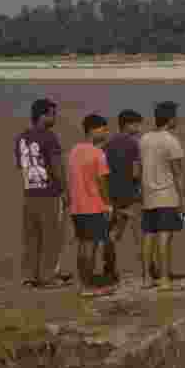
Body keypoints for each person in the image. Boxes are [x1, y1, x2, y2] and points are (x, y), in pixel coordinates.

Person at [15, 98, 69, 288]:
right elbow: (56, 167)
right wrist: (64, 190)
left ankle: (30, 277)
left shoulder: (21, 137)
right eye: (52, 114)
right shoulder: (49, 136)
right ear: (42, 115)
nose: (54, 118)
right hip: (49, 193)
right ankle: (48, 277)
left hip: (29, 193)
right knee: (51, 236)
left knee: (31, 237)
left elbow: (22, 166)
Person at [140, 101, 185, 291]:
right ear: (170, 119)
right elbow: (178, 173)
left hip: (148, 194)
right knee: (164, 236)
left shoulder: (144, 139)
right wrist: (184, 200)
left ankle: (146, 278)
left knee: (148, 236)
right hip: (167, 194)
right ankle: (164, 278)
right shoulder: (171, 141)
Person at [67, 113, 115, 297]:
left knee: (82, 246)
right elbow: (102, 182)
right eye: (103, 129)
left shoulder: (74, 151)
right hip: (93, 206)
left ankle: (82, 283)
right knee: (91, 247)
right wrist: (108, 205)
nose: (105, 132)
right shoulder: (98, 153)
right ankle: (88, 287)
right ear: (92, 130)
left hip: (77, 207)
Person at [104, 109, 143, 285]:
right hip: (131, 195)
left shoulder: (108, 144)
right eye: (137, 124)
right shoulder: (134, 144)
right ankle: (148, 270)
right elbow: (136, 172)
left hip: (112, 195)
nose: (139, 128)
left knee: (112, 234)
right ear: (128, 125)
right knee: (141, 234)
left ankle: (109, 268)